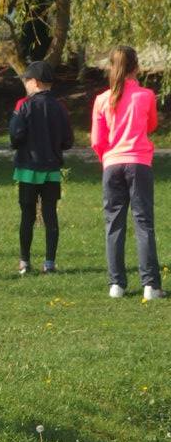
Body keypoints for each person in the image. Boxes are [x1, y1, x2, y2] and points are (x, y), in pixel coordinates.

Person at [91, 45, 162, 300]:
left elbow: (97, 140)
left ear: (111, 67)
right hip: (139, 162)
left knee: (114, 224)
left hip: (112, 164)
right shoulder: (146, 95)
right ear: (136, 67)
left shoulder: (102, 99)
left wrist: (107, 159)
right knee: (143, 223)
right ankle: (150, 285)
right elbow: (151, 125)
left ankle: (116, 284)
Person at [9, 60, 74, 276]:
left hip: (28, 168)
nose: (25, 84)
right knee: (50, 216)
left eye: (26, 81)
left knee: (27, 216)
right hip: (52, 170)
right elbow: (68, 140)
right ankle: (49, 262)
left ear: (35, 82)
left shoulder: (24, 105)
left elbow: (15, 135)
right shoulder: (60, 107)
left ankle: (24, 261)